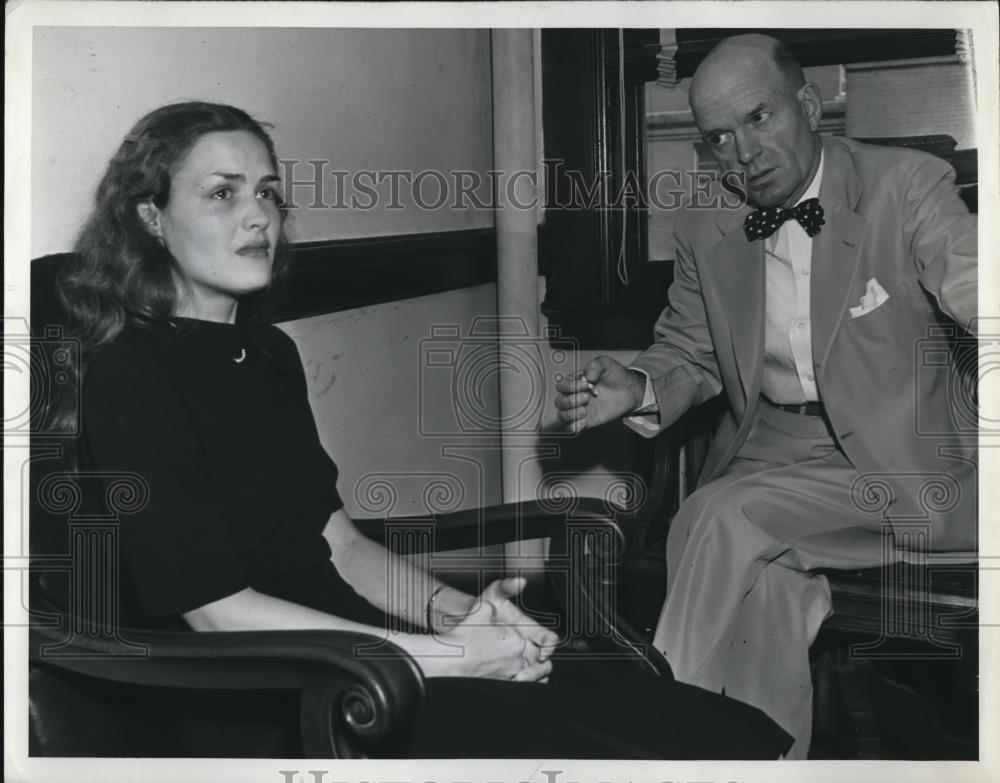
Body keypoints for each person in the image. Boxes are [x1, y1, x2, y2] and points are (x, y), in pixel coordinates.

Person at [50, 100, 792, 758]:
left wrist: (471, 615)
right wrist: (438, 657)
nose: (259, 216)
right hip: (270, 694)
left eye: (269, 192)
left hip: (365, 652)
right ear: (150, 217)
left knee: (696, 730)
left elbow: (339, 544)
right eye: (222, 194)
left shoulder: (268, 353)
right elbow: (216, 613)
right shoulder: (130, 372)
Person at [555, 34, 977, 758]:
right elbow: (690, 351)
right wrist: (637, 386)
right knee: (765, 591)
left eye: (759, 118)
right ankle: (762, 762)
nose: (742, 152)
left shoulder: (905, 186)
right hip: (775, 458)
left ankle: (649, 743)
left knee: (718, 513)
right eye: (720, 136)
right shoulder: (708, 224)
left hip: (905, 466)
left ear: (809, 106)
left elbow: (979, 289)